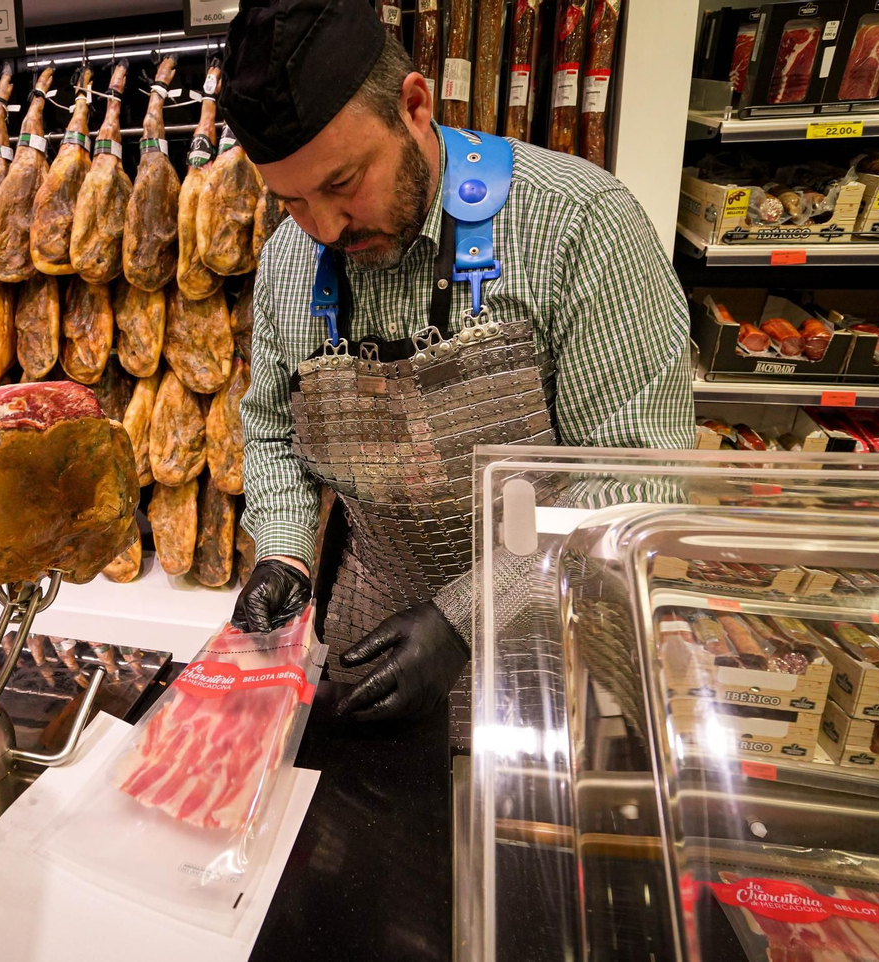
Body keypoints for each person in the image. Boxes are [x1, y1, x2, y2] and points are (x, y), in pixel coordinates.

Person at [220, 0, 695, 721]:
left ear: (414, 106)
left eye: (343, 184)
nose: (325, 226)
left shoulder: (579, 222)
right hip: (367, 646)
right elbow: (273, 433)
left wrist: (466, 618)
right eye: (292, 201)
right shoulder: (289, 260)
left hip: (558, 645)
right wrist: (283, 551)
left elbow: (639, 477)